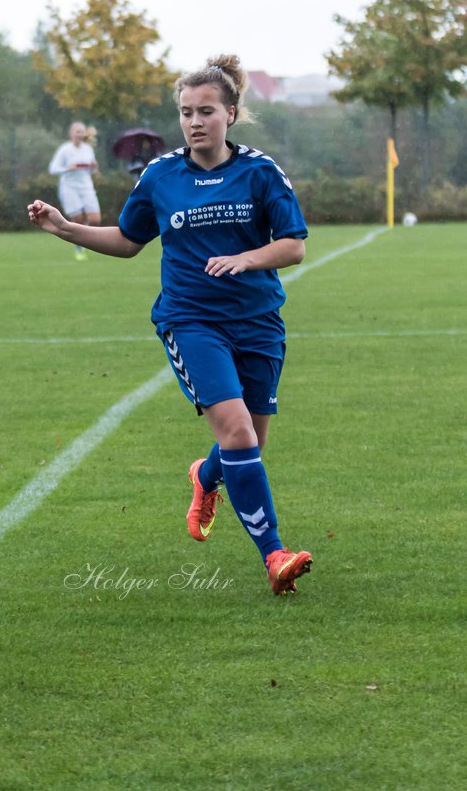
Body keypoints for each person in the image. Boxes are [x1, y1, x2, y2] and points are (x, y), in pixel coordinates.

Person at [27, 55, 313, 596]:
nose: (194, 121)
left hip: (258, 324)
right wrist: (65, 229)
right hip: (191, 322)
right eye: (185, 112)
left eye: (206, 111)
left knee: (249, 444)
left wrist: (247, 259)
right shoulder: (161, 177)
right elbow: (129, 242)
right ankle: (275, 554)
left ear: (230, 113)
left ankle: (206, 477)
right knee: (237, 433)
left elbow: (293, 245)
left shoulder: (260, 171)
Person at [47, 121, 101, 261]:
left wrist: (94, 167)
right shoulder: (65, 149)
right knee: (77, 219)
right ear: (71, 133)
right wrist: (67, 168)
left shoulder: (88, 149)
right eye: (77, 131)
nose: (79, 134)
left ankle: (85, 240)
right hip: (69, 188)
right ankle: (79, 248)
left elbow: (92, 169)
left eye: (82, 132)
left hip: (86, 187)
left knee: (95, 219)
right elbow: (53, 169)